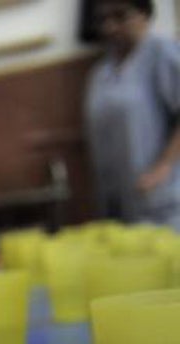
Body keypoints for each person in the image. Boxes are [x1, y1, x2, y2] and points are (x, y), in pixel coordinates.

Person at [85, 0, 180, 228]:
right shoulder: (101, 73)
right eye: (103, 20)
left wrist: (163, 166)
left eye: (120, 16)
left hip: (164, 201)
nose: (110, 27)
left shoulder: (162, 53)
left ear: (144, 13)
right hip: (123, 204)